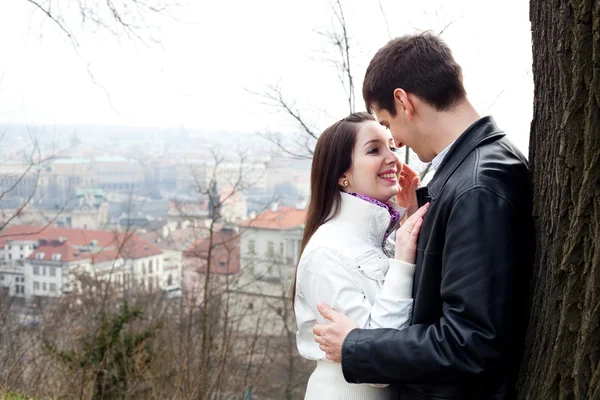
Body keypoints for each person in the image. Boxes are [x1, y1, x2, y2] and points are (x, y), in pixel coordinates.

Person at [313, 32, 533, 399]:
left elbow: (469, 343)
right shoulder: (473, 169)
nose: (395, 142)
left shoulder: (477, 186)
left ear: (404, 101)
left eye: (387, 123)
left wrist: (356, 346)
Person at [293, 111, 428, 399]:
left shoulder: (380, 241)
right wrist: (403, 262)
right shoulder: (326, 254)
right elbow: (375, 364)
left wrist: (411, 220)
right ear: (342, 175)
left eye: (391, 146)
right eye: (374, 149)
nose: (393, 157)